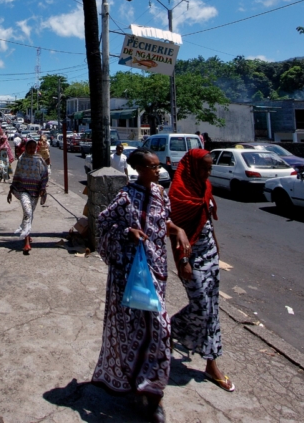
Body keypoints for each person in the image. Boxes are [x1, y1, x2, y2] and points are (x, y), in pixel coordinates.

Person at [92, 149, 191, 423]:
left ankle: (149, 389)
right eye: (152, 166)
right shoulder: (125, 196)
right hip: (130, 274)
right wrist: (128, 231)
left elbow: (164, 221)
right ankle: (143, 387)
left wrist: (178, 230)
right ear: (138, 168)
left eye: (158, 166)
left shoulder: (160, 193)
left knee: (157, 330)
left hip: (157, 272)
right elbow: (103, 223)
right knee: (140, 329)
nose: (157, 171)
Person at [169, 149, 235, 393]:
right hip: (191, 257)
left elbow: (207, 217)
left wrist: (216, 245)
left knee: (212, 309)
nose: (208, 173)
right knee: (202, 307)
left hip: (210, 255)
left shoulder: (205, 187)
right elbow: (173, 231)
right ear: (193, 168)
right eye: (205, 168)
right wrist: (183, 261)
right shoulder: (178, 193)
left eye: (210, 168)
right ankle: (170, 328)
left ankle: (211, 364)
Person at [7, 139, 48, 254]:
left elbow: (44, 175)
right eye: (29, 147)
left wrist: (43, 188)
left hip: (35, 192)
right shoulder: (22, 159)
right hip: (23, 190)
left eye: (33, 147)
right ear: (25, 148)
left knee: (29, 214)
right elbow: (17, 174)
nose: (31, 149)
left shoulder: (39, 160)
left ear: (36, 148)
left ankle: (27, 234)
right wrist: (11, 190)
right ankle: (26, 241)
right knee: (28, 211)